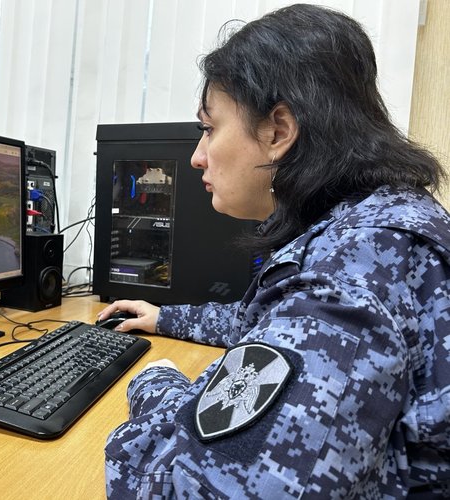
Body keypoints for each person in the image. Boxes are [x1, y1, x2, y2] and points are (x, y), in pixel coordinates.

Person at [98, 4, 450, 498]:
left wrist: (154, 383)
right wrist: (164, 318)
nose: (197, 156)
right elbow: (270, 323)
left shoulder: (349, 273)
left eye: (209, 128)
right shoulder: (379, 227)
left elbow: (189, 491)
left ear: (279, 131)